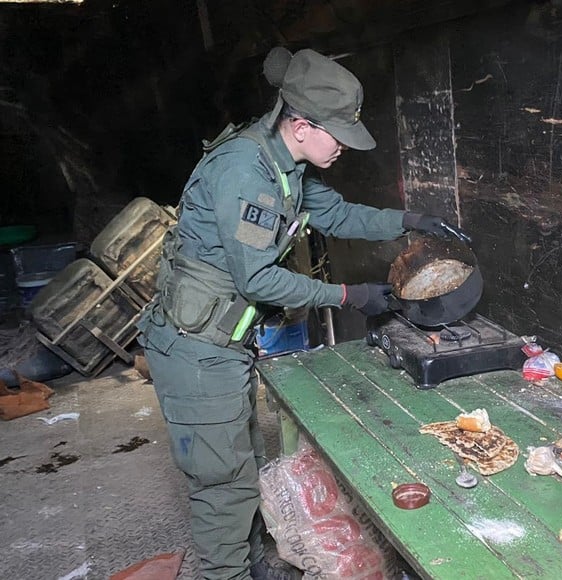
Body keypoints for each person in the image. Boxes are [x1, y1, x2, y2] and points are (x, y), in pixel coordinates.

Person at [137, 47, 469, 580]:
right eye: (336, 134)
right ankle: (229, 574)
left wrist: (411, 220)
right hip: (195, 348)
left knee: (240, 463)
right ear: (301, 123)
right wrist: (349, 295)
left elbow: (336, 213)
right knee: (222, 483)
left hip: (223, 342)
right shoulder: (246, 172)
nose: (343, 148)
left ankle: (249, 564)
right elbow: (258, 278)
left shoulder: (283, 161)